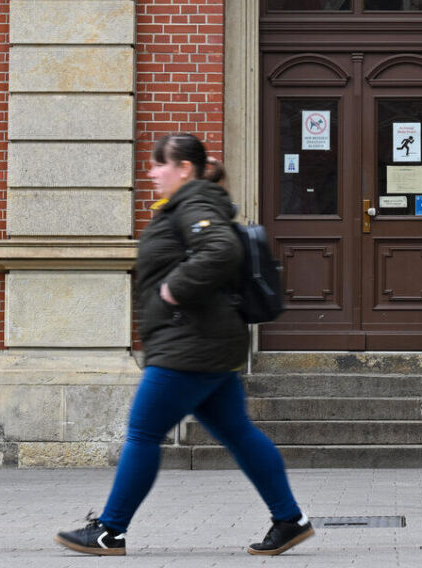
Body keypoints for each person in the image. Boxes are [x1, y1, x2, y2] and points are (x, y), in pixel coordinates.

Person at [54, 134, 313, 557]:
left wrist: (176, 288)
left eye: (160, 165)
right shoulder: (189, 203)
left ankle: (110, 530)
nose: (152, 172)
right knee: (238, 433)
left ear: (184, 169)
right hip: (204, 340)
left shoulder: (194, 201)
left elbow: (220, 248)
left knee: (143, 432)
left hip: (190, 343)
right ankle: (290, 520)